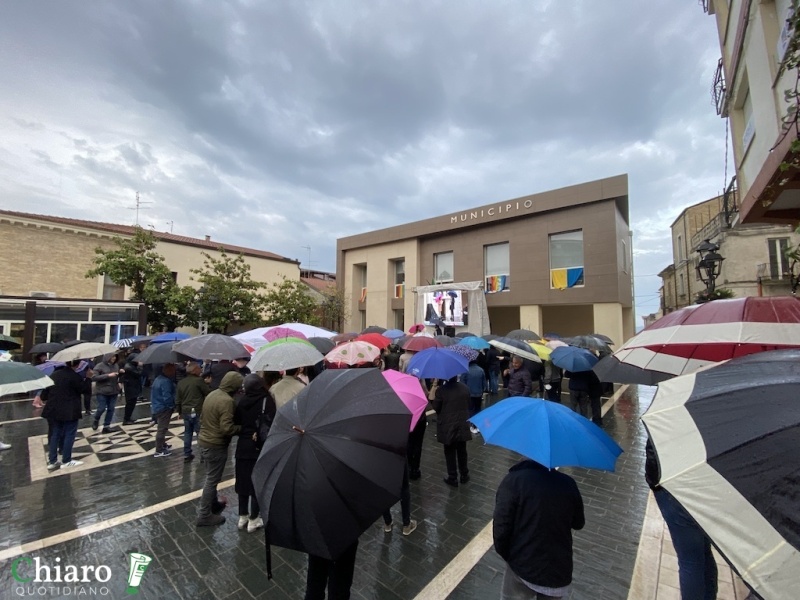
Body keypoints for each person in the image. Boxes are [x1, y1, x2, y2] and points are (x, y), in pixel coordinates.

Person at [493, 458, 585, 599]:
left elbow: (500, 530)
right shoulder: (568, 484)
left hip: (521, 564)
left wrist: (510, 557)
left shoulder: (513, 481)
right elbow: (578, 523)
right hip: (557, 570)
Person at [646, 437, 717, 599]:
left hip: (675, 486)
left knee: (691, 561)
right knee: (704, 552)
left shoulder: (671, 412)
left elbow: (653, 450)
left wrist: (654, 483)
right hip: (706, 484)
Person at [196, 371, 243, 527]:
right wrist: (242, 428)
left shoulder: (213, 394)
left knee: (211, 477)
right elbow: (226, 428)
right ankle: (204, 515)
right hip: (215, 445)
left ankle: (213, 503)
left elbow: (203, 417)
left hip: (204, 441)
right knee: (212, 479)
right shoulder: (226, 401)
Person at [234, 373, 276, 533]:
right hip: (259, 445)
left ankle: (242, 516)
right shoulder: (267, 400)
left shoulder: (242, 401)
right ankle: (254, 519)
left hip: (243, 445)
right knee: (257, 482)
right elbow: (272, 421)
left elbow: (237, 421)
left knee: (243, 481)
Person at [41, 361, 87, 470]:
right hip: (70, 410)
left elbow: (44, 395)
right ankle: (66, 460)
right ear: (76, 365)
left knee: (54, 434)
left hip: (53, 409)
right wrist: (88, 378)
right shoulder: (75, 376)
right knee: (69, 434)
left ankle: (52, 460)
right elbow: (84, 390)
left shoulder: (53, 375)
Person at [432, 376, 472, 487]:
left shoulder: (441, 390)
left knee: (449, 451)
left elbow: (436, 407)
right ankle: (464, 474)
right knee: (462, 450)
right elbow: (469, 403)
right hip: (462, 423)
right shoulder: (465, 388)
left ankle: (452, 477)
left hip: (447, 425)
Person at [176, 362, 211, 462]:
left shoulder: (181, 382)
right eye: (199, 368)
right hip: (197, 410)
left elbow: (178, 399)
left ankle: (187, 454)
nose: (201, 370)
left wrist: (179, 412)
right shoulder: (198, 381)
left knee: (187, 433)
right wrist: (207, 383)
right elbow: (207, 392)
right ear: (194, 370)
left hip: (186, 411)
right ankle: (203, 455)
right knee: (200, 432)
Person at [92, 353, 123, 433]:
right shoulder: (99, 366)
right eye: (112, 356)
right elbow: (94, 377)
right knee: (101, 408)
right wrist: (108, 375)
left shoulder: (116, 365)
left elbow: (117, 376)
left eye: (115, 356)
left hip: (114, 390)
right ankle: (96, 419)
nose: (113, 358)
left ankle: (106, 426)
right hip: (102, 391)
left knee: (111, 409)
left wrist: (119, 380)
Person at [151, 363, 176, 457]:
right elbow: (167, 396)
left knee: (162, 428)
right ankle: (159, 450)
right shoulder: (166, 382)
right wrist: (171, 406)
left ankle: (163, 444)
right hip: (163, 408)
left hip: (157, 406)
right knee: (162, 429)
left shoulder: (157, 379)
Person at [121, 348, 143, 425]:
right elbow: (138, 374)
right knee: (130, 403)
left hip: (132, 386)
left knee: (132, 403)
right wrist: (140, 366)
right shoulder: (129, 367)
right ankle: (126, 419)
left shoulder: (130, 366)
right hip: (130, 387)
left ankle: (128, 418)